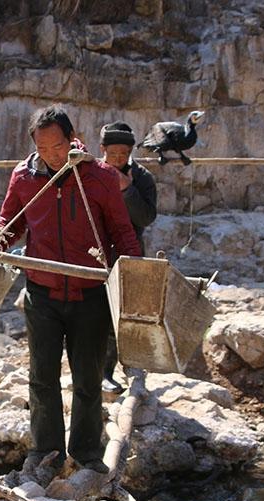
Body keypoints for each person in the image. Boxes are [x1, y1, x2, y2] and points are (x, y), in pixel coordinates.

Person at [0, 105, 141, 481]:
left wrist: (134, 272)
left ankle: (86, 454)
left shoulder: (98, 177)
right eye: (43, 147)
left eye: (58, 146)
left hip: (90, 293)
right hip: (42, 291)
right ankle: (45, 453)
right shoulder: (24, 176)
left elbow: (121, 231)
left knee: (87, 378)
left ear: (72, 138)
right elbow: (10, 222)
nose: (51, 155)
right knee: (42, 378)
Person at [98, 121, 158, 394]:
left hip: (127, 254)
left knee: (119, 315)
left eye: (124, 154)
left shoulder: (142, 178)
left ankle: (120, 368)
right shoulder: (91, 173)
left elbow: (146, 217)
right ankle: (97, 371)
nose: (119, 159)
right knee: (93, 316)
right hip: (92, 254)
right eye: (113, 154)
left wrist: (127, 190)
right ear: (103, 150)